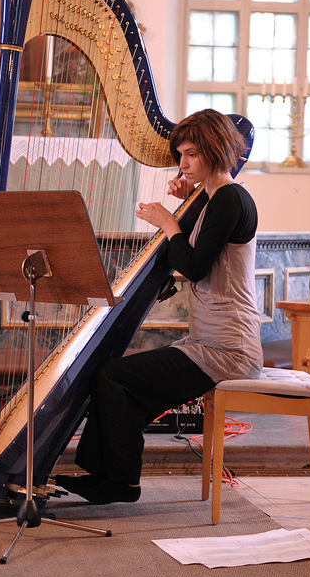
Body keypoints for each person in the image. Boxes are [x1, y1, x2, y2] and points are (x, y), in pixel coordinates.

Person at [54, 109, 263, 505]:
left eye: (190, 155)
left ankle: (117, 481)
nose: (182, 164)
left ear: (215, 150)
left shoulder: (231, 198)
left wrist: (169, 222)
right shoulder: (215, 196)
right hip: (212, 340)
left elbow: (195, 266)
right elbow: (202, 242)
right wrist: (188, 202)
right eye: (180, 154)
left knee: (115, 377)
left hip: (230, 348)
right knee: (118, 381)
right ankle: (112, 479)